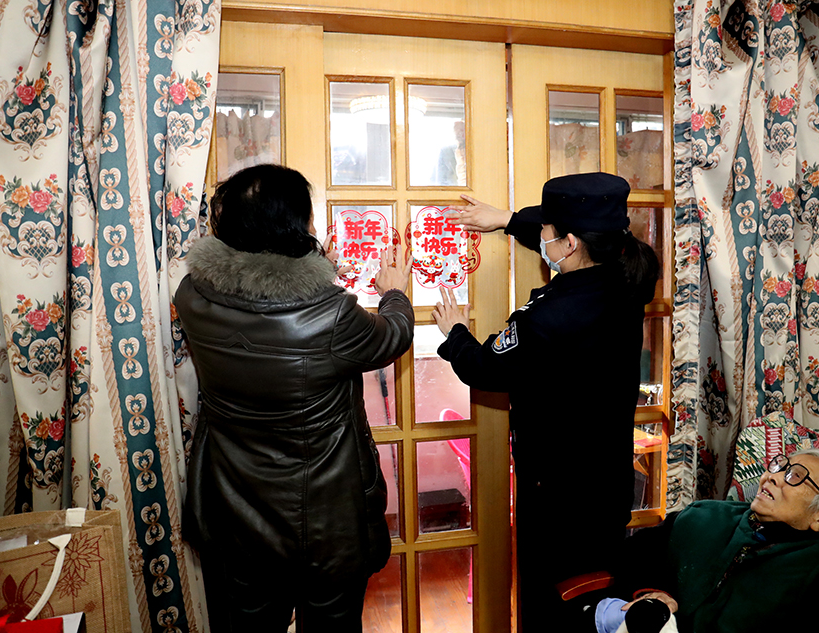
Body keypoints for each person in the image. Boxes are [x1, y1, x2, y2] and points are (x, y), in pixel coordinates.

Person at [175, 164, 414, 633]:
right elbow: (391, 337)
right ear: (294, 227)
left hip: (233, 508)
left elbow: (263, 306)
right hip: (324, 518)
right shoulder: (332, 314)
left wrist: (321, 283)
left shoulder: (192, 295)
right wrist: (395, 292)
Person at [431, 172, 660, 630]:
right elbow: (559, 224)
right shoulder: (629, 278)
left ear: (571, 243)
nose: (542, 240)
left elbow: (485, 369)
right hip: (609, 481)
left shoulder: (549, 317)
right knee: (597, 599)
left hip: (557, 496)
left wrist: (454, 332)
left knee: (553, 603)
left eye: (547, 236)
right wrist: (506, 220)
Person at [593, 448, 819, 633]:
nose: (772, 476)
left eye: (794, 476)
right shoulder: (705, 514)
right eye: (779, 465)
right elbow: (630, 557)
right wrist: (654, 592)